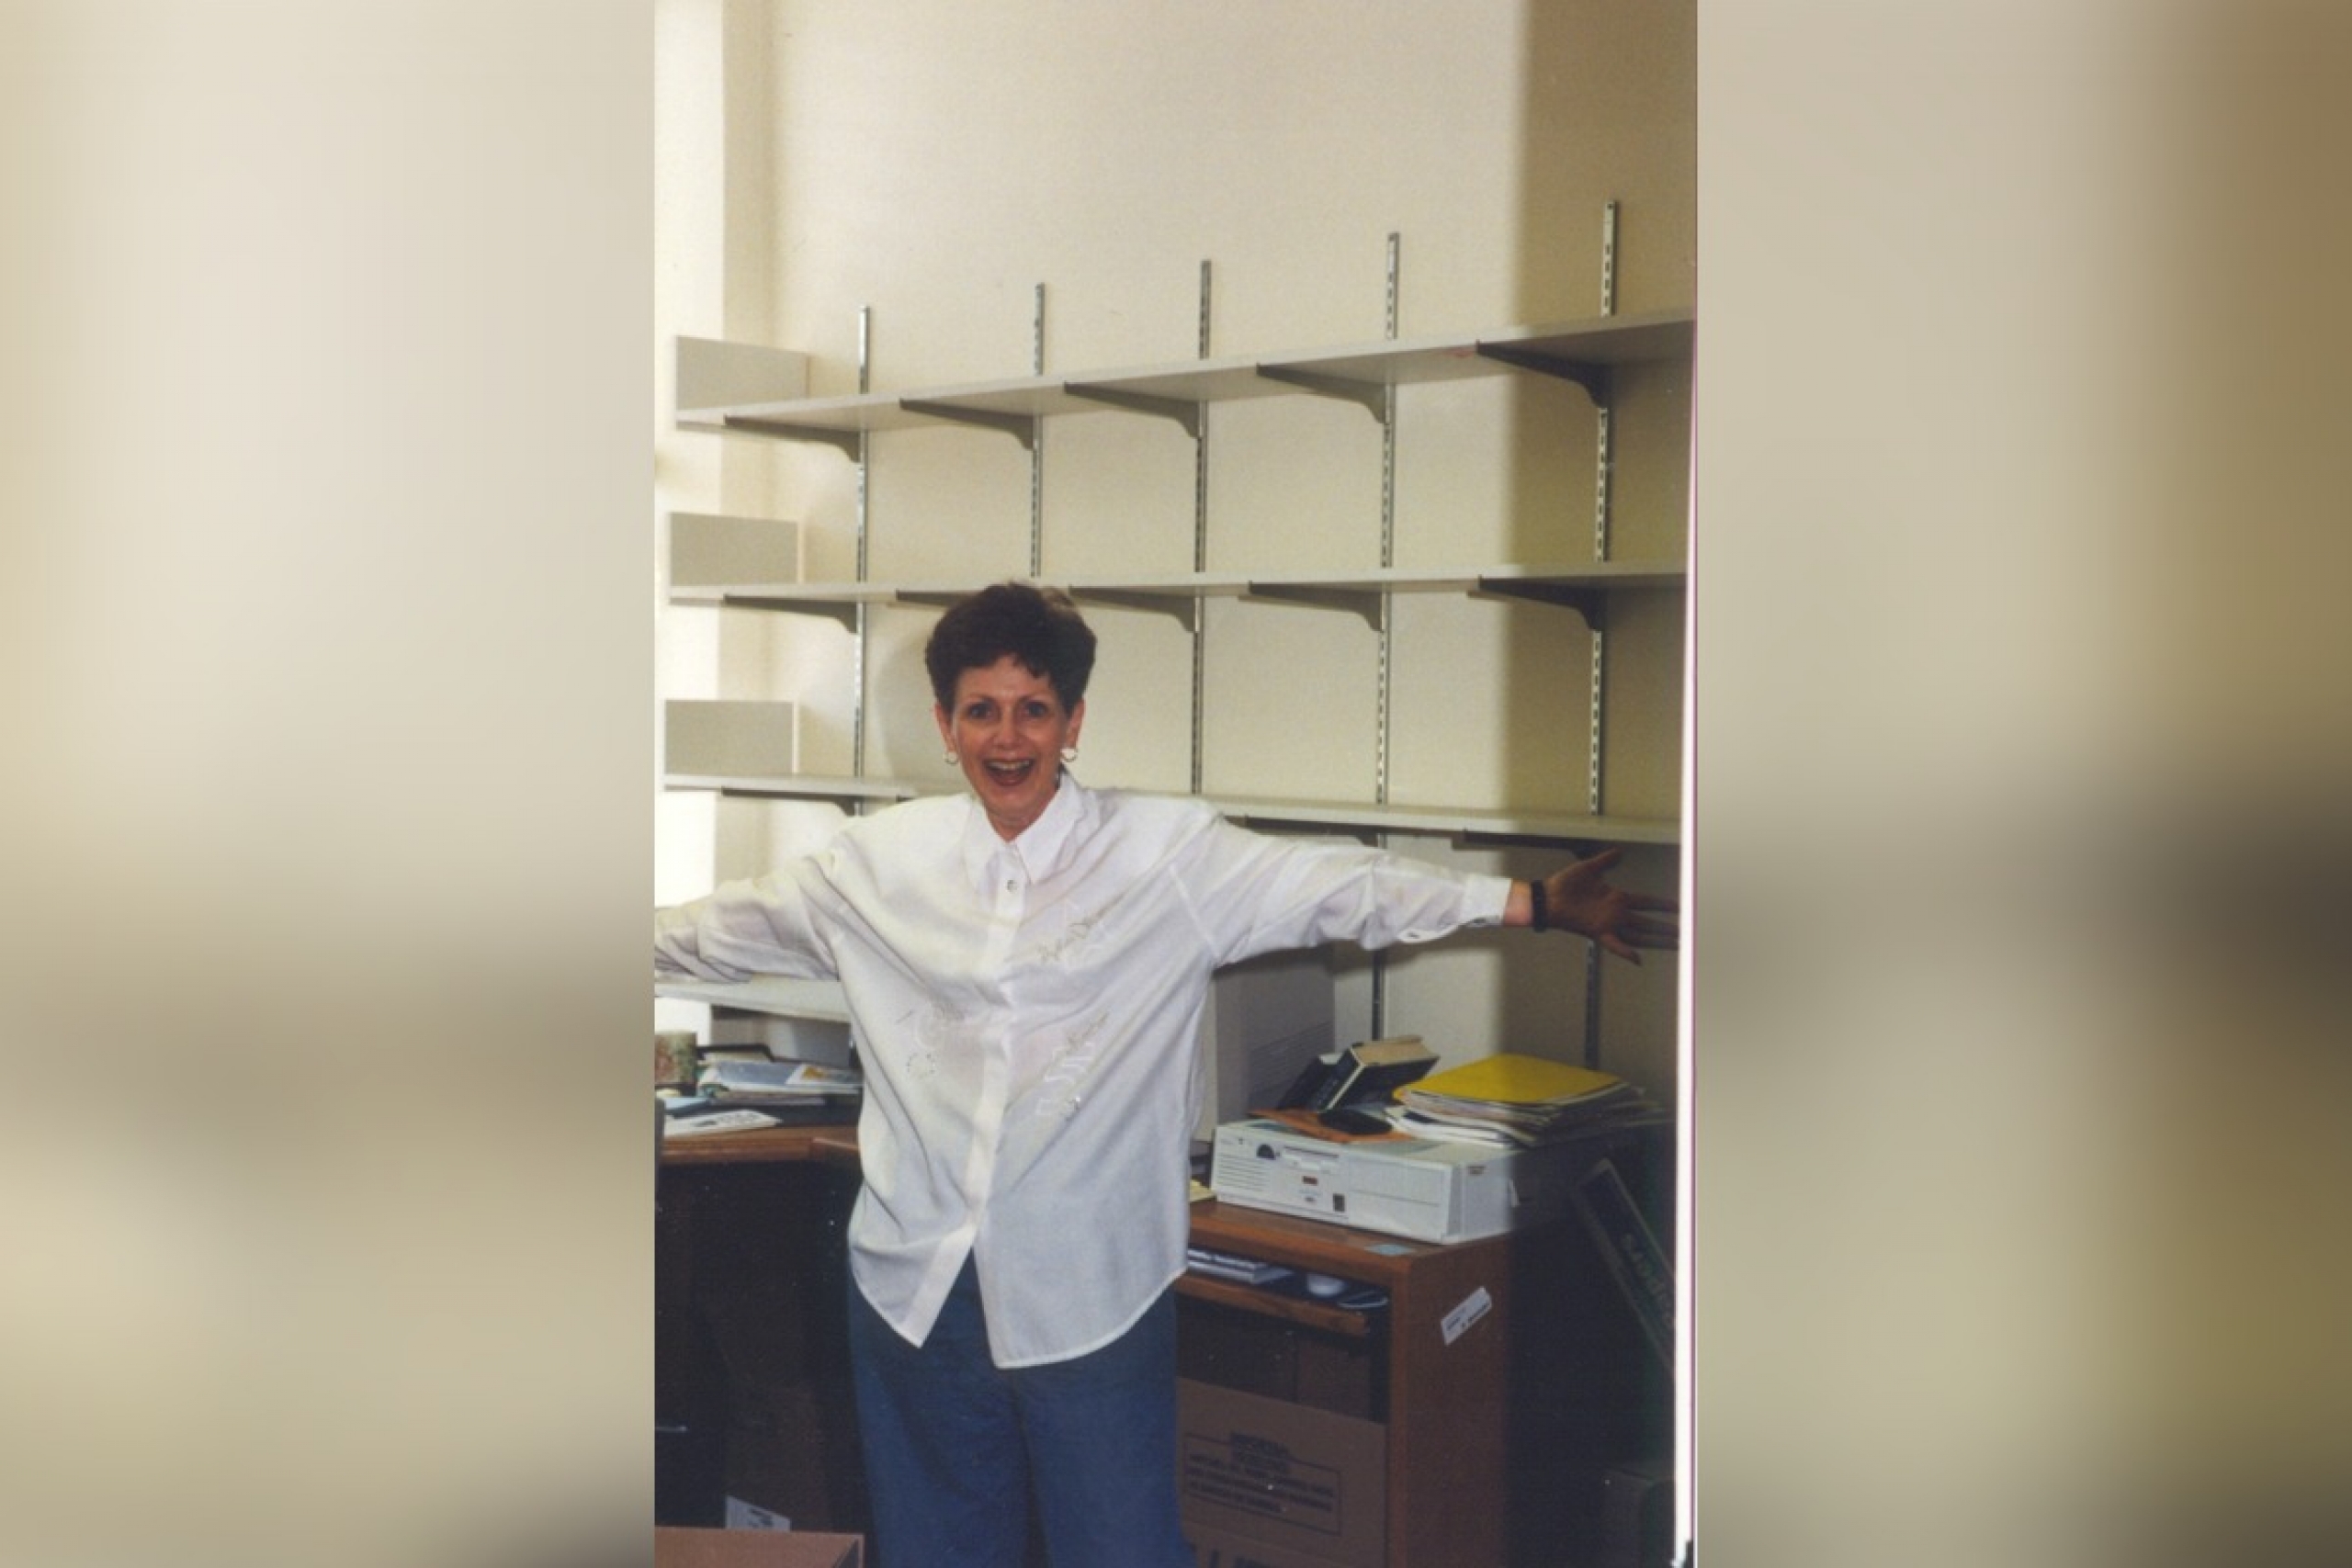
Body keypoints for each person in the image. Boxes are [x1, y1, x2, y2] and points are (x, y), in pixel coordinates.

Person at [652, 581, 1677, 1567]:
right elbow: (711, 932)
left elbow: (1341, 887)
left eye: (1033, 709)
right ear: (944, 725)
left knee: (1121, 1550)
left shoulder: (1166, 856)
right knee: (938, 1554)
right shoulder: (873, 865)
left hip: (1088, 1287)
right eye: (981, 711)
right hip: (914, 1289)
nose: (1007, 738)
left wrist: (1530, 903)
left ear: (1073, 722)